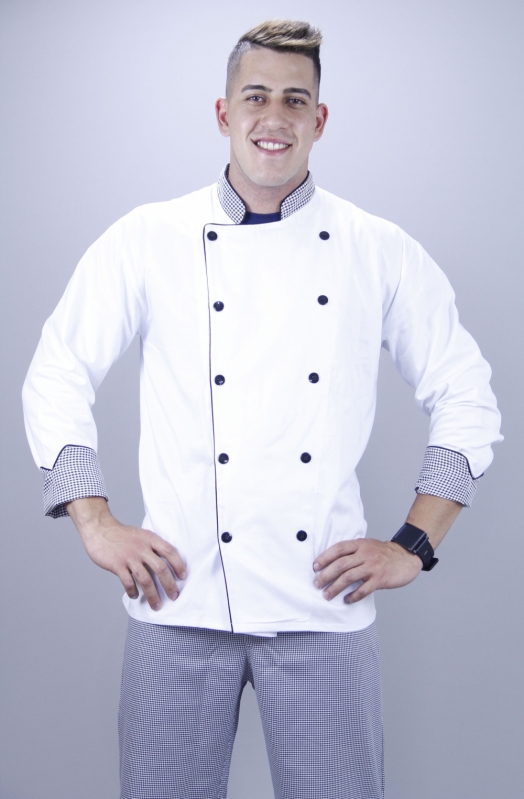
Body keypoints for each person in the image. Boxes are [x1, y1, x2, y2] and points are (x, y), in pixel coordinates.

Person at [22, 19, 502, 799]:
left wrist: (416, 543)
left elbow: (467, 396)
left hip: (323, 605)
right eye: (255, 97)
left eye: (294, 99)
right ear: (223, 113)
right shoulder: (148, 237)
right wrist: (94, 520)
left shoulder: (377, 248)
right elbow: (56, 371)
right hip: (177, 597)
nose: (273, 117)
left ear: (320, 119)